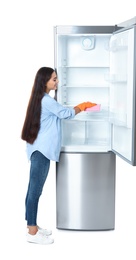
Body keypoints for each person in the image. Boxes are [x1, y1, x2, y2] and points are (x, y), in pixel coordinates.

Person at [21, 67, 96, 244]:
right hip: (42, 151)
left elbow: (58, 111)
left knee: (33, 189)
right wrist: (82, 106)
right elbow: (65, 114)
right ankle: (32, 233)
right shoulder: (46, 101)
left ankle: (32, 226)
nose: (57, 82)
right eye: (54, 79)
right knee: (35, 191)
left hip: (39, 149)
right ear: (45, 81)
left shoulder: (43, 99)